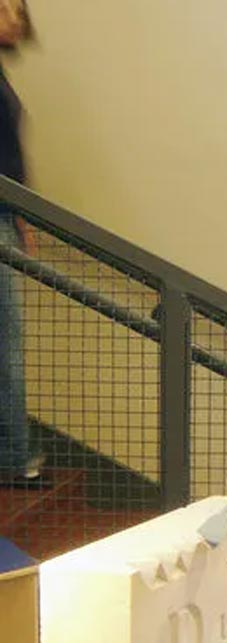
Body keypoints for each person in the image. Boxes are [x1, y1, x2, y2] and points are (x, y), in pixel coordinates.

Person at [0, 0, 41, 487]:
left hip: (6, 219)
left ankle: (14, 450)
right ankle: (15, 453)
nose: (12, 16)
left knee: (8, 340)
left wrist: (23, 219)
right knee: (7, 342)